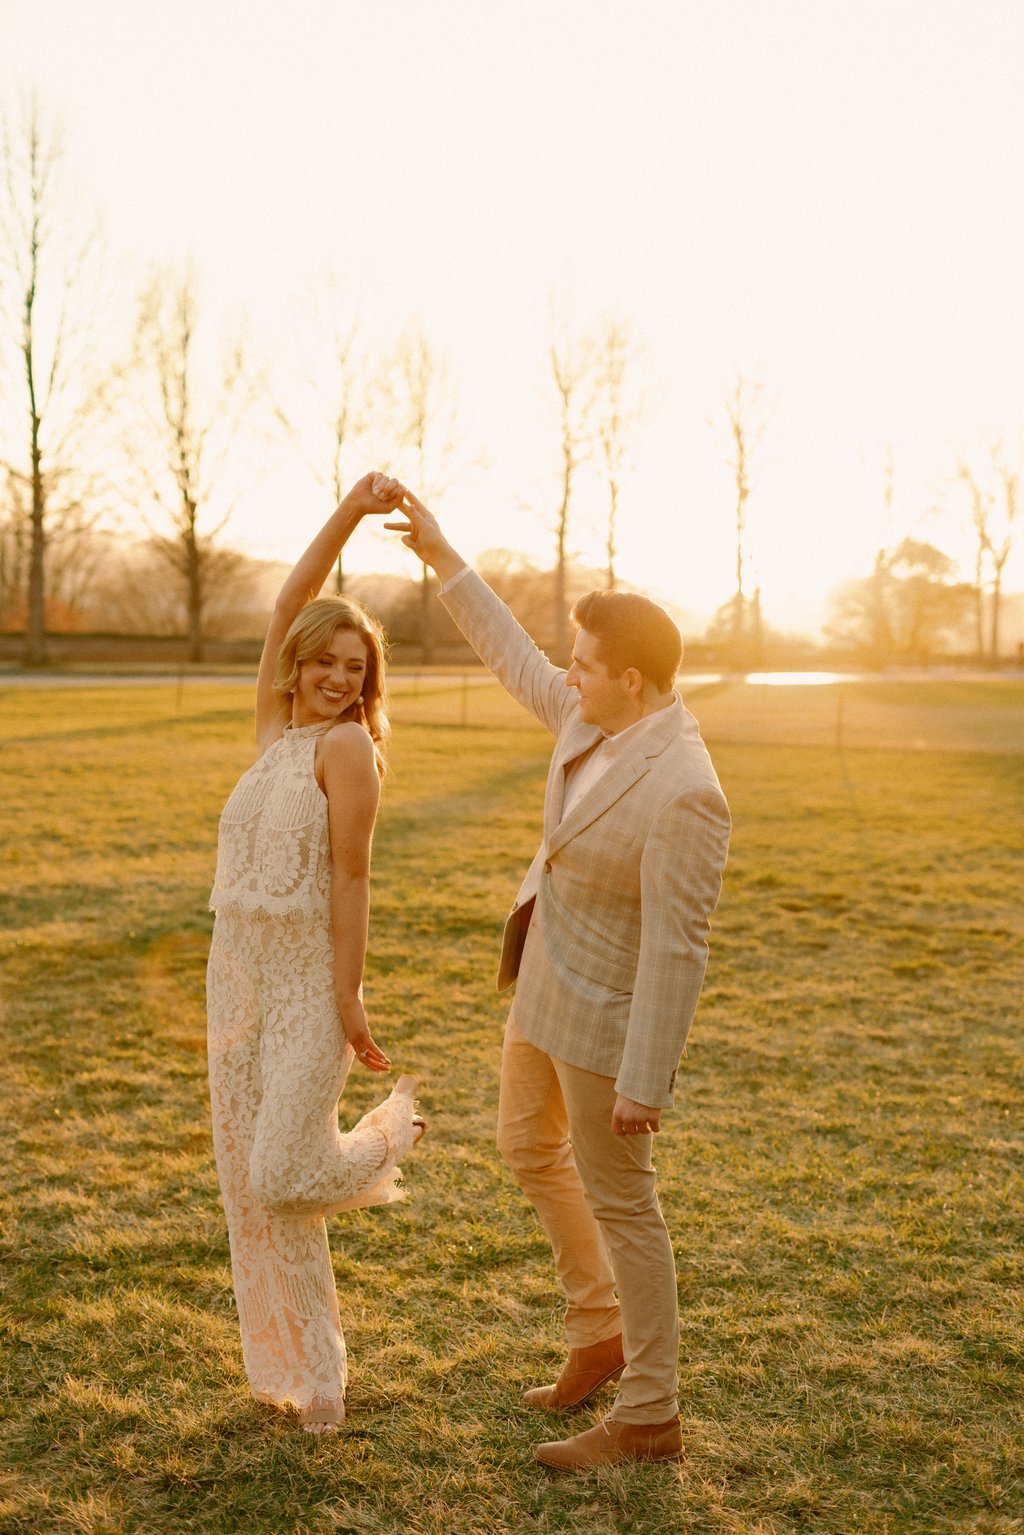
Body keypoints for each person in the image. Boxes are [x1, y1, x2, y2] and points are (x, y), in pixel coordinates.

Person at [386, 491, 730, 1471]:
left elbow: (676, 946)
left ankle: (649, 1412)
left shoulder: (684, 787)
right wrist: (445, 556)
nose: (564, 674)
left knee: (627, 1205)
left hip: (607, 1021)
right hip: (540, 976)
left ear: (631, 679)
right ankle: (597, 1331)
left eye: (582, 664)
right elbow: (513, 656)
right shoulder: (590, 712)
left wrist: (644, 1078)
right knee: (525, 1149)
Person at [206, 472, 425, 1436]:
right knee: (258, 1189)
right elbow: (290, 599)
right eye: (328, 663)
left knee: (283, 1172)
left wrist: (349, 999)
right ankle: (311, 1371)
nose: (342, 679)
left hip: (305, 991)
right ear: (297, 666)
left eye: (358, 668)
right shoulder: (272, 734)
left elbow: (350, 883)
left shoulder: (347, 752)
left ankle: (388, 1138)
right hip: (236, 981)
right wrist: (347, 509)